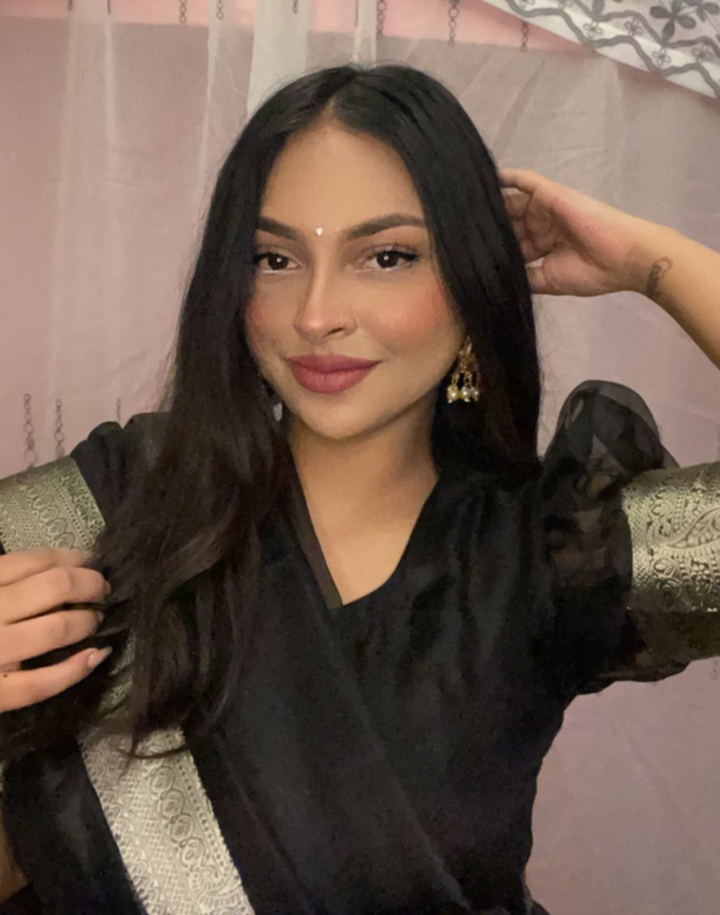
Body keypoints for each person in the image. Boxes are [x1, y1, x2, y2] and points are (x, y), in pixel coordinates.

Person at [0, 63, 718, 915]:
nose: (316, 313)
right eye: (274, 258)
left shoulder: (553, 557)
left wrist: (652, 261)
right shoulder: (116, 504)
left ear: (472, 281)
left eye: (386, 256)